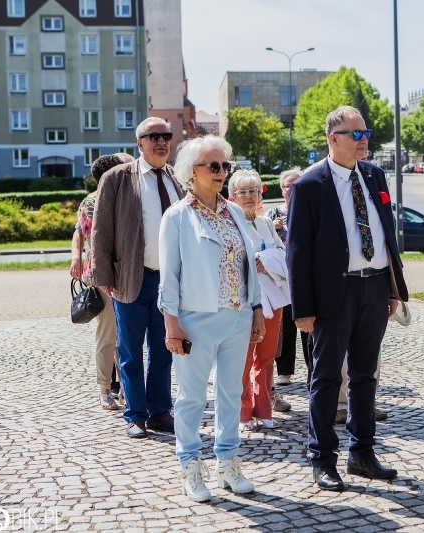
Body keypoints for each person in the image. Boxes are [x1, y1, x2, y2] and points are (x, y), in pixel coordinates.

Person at [287, 106, 409, 492]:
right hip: (332, 295)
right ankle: (322, 458)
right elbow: (297, 253)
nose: (364, 140)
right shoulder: (310, 186)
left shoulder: (374, 175)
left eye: (366, 133)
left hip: (373, 287)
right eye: (355, 134)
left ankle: (363, 454)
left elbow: (386, 234)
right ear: (332, 138)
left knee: (365, 375)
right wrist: (303, 309)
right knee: (325, 378)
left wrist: (391, 288)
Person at [159, 135, 263, 502]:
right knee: (190, 398)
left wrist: (255, 310)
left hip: (236, 316)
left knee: (231, 393)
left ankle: (228, 463)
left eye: (225, 166)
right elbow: (168, 277)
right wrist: (172, 324)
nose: (221, 173)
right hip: (196, 319)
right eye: (214, 166)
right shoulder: (176, 217)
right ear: (193, 172)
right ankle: (190, 466)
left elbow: (248, 264)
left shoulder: (235, 211)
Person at [90, 117, 183, 439]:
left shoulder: (176, 179)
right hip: (131, 278)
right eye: (153, 136)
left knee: (164, 348)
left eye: (166, 136)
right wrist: (102, 274)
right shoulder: (118, 178)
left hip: (169, 280)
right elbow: (101, 229)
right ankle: (135, 415)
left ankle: (160, 412)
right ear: (139, 142)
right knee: (130, 350)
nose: (161, 141)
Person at [70, 152, 134, 410]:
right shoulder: (93, 202)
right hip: (105, 276)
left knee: (127, 337)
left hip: (129, 275)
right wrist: (76, 257)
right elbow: (92, 235)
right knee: (109, 335)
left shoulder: (125, 198)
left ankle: (127, 389)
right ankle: (105, 388)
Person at [228, 170, 289, 431]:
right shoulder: (230, 223)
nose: (249, 197)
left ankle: (263, 407)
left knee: (266, 357)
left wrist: (265, 260)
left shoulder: (264, 223)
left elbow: (281, 251)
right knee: (243, 358)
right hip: (242, 301)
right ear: (232, 197)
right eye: (243, 192)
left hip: (271, 298)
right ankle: (242, 413)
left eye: (254, 191)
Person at [266, 168, 306, 389]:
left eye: (296, 185)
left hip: (305, 276)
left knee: (309, 326)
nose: (292, 189)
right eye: (288, 186)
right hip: (282, 277)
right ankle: (284, 371)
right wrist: (272, 228)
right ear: (282, 190)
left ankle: (313, 370)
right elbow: (263, 239)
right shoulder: (273, 213)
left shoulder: (309, 209)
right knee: (286, 326)